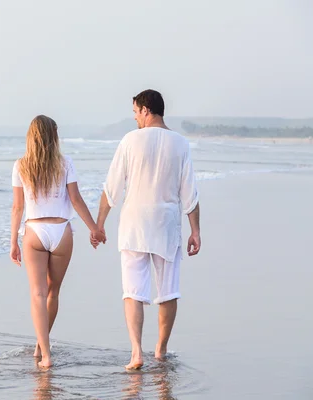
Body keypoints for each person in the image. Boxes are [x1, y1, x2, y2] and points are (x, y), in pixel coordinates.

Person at [92, 90, 201, 370]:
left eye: (135, 112)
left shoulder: (130, 141)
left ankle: (136, 352)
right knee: (168, 291)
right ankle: (160, 350)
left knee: (133, 291)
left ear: (145, 110)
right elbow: (190, 193)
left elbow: (111, 188)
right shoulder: (180, 144)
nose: (135, 118)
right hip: (166, 225)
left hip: (133, 224)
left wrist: (99, 224)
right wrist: (195, 231)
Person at [10, 115, 106, 368]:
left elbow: (17, 207)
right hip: (62, 231)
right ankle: (42, 345)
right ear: (54, 136)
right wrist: (94, 228)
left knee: (37, 293)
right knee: (53, 292)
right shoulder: (65, 163)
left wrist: (13, 242)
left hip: (34, 232)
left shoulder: (20, 165)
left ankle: (45, 353)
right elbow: (75, 199)